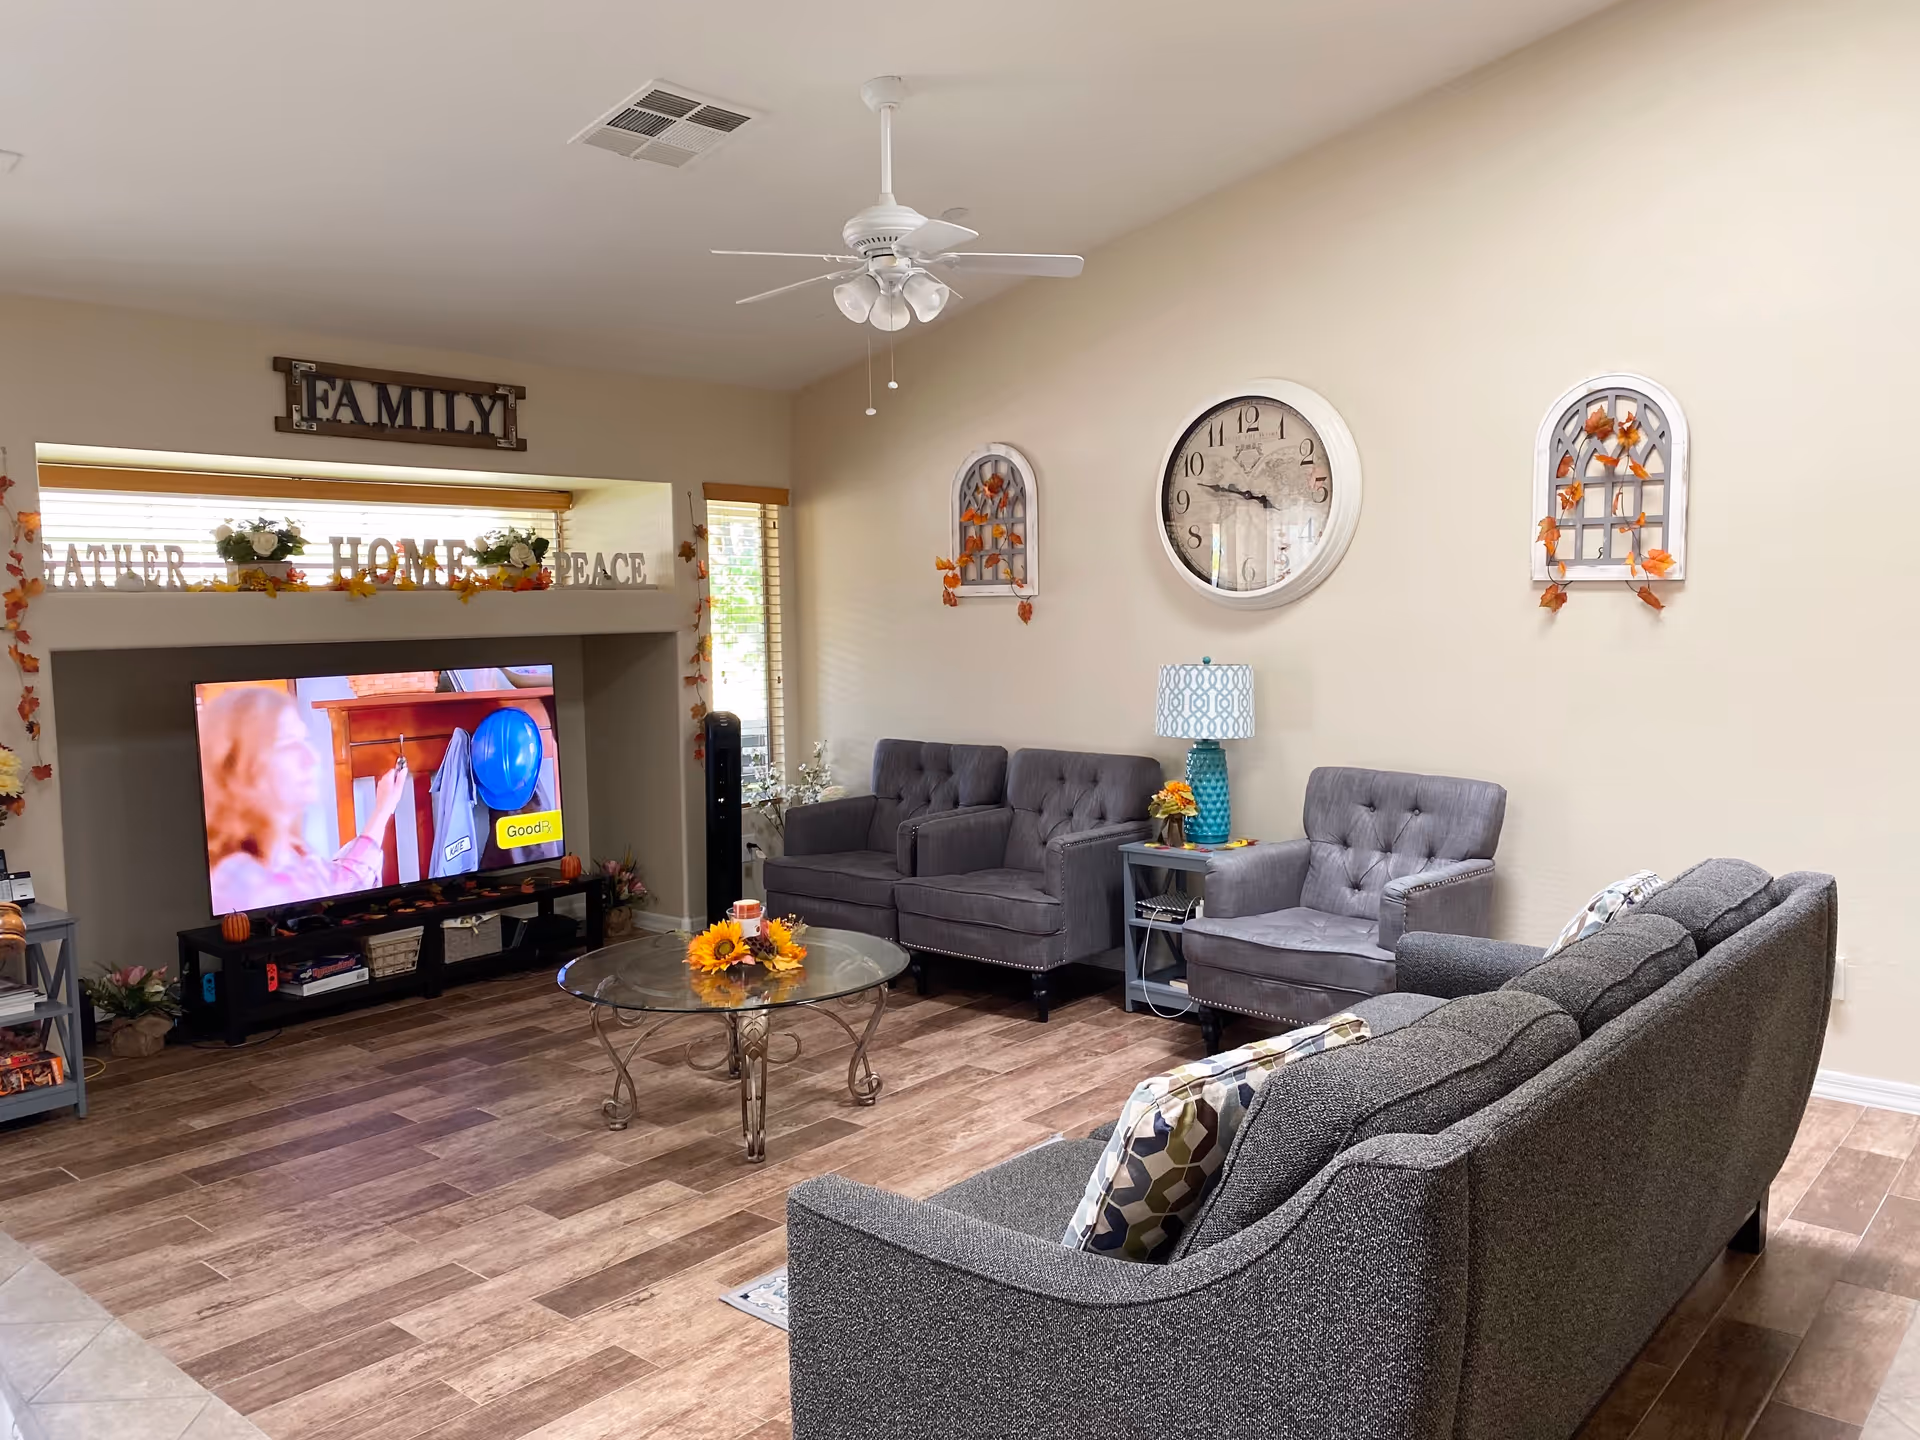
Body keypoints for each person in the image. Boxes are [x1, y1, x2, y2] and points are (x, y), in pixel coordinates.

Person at [201, 687, 406, 914]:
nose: (312, 758)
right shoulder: (239, 883)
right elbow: (339, 894)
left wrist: (384, 806)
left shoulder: (288, 853)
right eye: (288, 743)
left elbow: (345, 882)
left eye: (304, 740)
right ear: (240, 766)